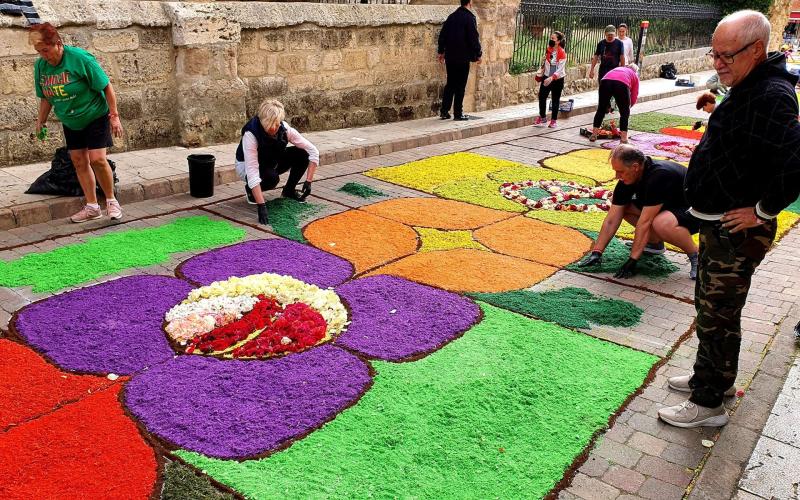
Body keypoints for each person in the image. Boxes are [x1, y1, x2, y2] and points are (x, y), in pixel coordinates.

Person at [659, 10, 800, 428]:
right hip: (717, 220)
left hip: (735, 228)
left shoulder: (771, 94)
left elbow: (795, 161)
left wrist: (762, 211)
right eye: (714, 54)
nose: (717, 63)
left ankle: (708, 405)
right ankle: (713, 380)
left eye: (726, 55)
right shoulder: (750, 84)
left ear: (756, 50)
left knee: (717, 313)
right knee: (712, 308)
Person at [29, 22, 123, 223]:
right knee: (79, 161)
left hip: (94, 114)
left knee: (97, 159)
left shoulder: (79, 59)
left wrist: (114, 117)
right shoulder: (41, 67)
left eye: (46, 50)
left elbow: (106, 86)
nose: (44, 55)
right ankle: (92, 206)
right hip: (71, 120)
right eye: (39, 52)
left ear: (58, 44)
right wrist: (41, 121)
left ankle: (111, 201)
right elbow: (46, 97)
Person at [576, 145, 700, 280]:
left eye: (620, 171)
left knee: (661, 223)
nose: (617, 176)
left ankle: (696, 256)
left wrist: (632, 260)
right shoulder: (630, 177)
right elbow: (612, 218)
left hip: (695, 210)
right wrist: (597, 252)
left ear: (635, 167)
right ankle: (654, 243)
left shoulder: (659, 175)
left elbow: (645, 222)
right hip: (668, 207)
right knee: (623, 206)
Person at [234, 99, 319, 226]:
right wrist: (261, 205)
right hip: (246, 166)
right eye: (275, 123)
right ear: (266, 123)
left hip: (271, 160)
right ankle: (251, 191)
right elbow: (252, 170)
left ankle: (289, 190)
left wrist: (308, 181)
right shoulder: (251, 134)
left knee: (302, 154)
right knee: (272, 179)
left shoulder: (284, 128)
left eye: (279, 122)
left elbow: (313, 151)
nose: (278, 126)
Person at [437, 0, 482, 121]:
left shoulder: (451, 17)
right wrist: (478, 54)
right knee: (460, 86)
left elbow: (443, 35)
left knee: (450, 83)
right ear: (470, 2)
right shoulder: (469, 17)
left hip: (451, 57)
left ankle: (444, 111)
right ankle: (458, 113)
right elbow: (473, 38)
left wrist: (441, 51)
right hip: (463, 57)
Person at [589, 65, 639, 143]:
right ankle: (623, 138)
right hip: (621, 83)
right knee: (624, 113)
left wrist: (607, 105)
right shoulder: (634, 75)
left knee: (601, 109)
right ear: (635, 71)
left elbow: (612, 81)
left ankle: (594, 134)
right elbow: (634, 95)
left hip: (605, 81)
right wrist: (628, 107)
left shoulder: (618, 69)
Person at [534, 31, 566, 128]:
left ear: (558, 41)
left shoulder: (562, 52)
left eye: (553, 38)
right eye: (550, 38)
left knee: (555, 99)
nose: (550, 40)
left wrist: (552, 78)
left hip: (557, 79)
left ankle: (553, 120)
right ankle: (543, 117)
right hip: (547, 76)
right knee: (542, 96)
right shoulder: (549, 49)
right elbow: (546, 63)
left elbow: (560, 69)